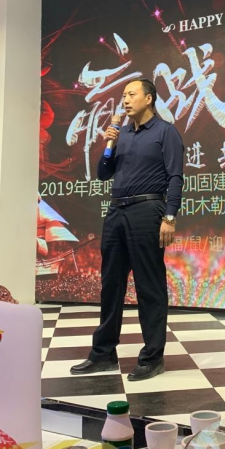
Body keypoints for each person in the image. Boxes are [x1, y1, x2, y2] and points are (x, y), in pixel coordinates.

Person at [71, 78, 184, 381]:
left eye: (131, 94)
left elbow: (175, 177)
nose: (125, 100)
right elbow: (102, 173)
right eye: (123, 95)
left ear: (149, 98)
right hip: (116, 211)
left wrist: (170, 217)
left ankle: (152, 358)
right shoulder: (121, 134)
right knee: (111, 284)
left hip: (148, 210)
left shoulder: (165, 132)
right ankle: (103, 354)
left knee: (149, 286)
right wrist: (109, 144)